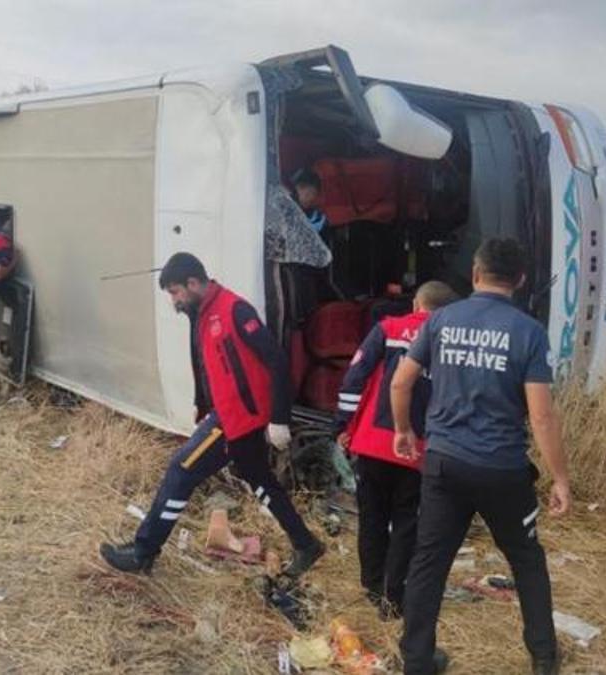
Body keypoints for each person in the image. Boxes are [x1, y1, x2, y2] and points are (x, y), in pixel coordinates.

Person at [392, 238, 572, 675]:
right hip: (502, 469)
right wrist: (561, 479)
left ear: (475, 273)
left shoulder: (441, 320)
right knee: (527, 561)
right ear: (521, 280)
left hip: (444, 463)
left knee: (429, 562)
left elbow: (401, 383)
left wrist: (403, 431)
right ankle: (544, 660)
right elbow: (542, 416)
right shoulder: (527, 331)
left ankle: (416, 660)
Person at [100, 252, 326, 576]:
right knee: (260, 480)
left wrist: (279, 417)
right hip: (227, 414)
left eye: (176, 292)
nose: (174, 301)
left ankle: (143, 552)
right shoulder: (202, 312)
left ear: (194, 283)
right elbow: (213, 366)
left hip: (239, 420)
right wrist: (202, 403)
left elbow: (276, 359)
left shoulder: (234, 309)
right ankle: (306, 545)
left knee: (181, 469)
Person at [334, 280, 457, 620]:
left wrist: (342, 425)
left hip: (374, 443)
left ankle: (371, 586)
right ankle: (393, 595)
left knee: (372, 517)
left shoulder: (387, 329)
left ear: (417, 305)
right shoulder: (452, 345)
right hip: (421, 450)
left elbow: (354, 378)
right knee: (407, 523)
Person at [292, 167, 328, 233]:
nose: (312, 198)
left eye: (302, 187)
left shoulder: (321, 218)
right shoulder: (290, 212)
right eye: (297, 189)